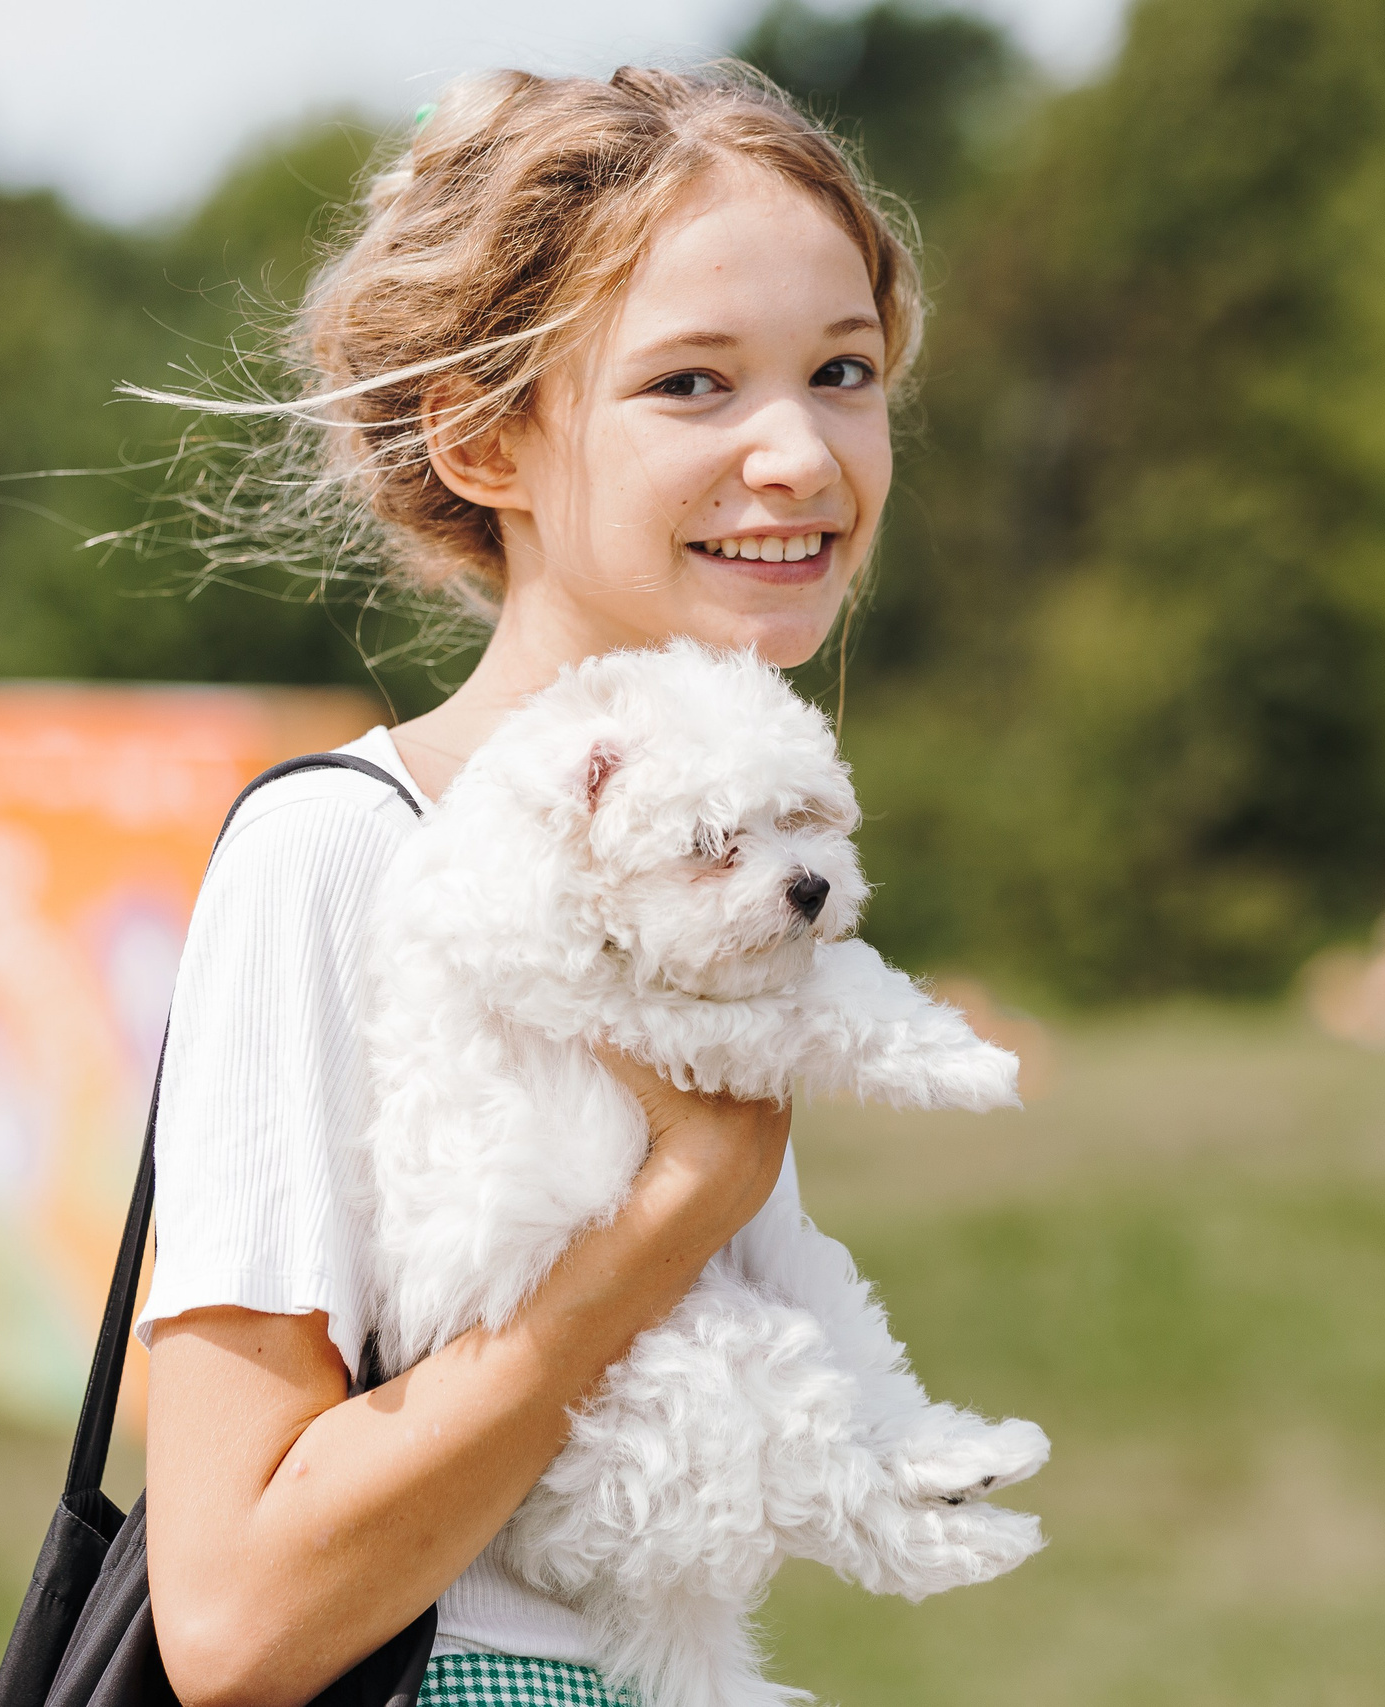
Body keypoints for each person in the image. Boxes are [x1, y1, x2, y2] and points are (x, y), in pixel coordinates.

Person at [132, 68, 918, 1707]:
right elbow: (230, 1621)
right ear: (486, 436)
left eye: (843, 370)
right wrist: (673, 1209)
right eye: (694, 384)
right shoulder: (339, 855)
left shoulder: (734, 874)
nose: (799, 449)